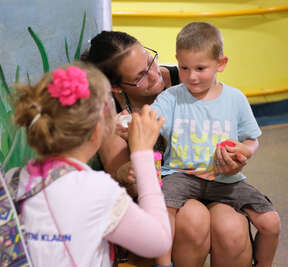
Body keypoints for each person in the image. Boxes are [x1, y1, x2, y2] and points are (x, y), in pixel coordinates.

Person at [82, 30, 255, 267]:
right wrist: (130, 166)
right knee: (195, 218)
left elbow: (228, 130)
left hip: (210, 179)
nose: (155, 74)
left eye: (150, 60)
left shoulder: (182, 76)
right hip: (157, 195)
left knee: (232, 228)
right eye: (141, 75)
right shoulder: (111, 113)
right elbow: (130, 183)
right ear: (116, 88)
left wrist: (234, 158)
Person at [7, 61, 172, 267]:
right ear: (96, 132)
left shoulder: (12, 179)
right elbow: (159, 241)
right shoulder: (97, 190)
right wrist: (143, 154)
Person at [151, 22, 281, 267]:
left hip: (226, 180)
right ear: (177, 61)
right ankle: (163, 263)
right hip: (181, 175)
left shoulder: (235, 98)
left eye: (201, 68)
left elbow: (252, 140)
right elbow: (151, 117)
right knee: (163, 204)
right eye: (184, 67)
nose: (191, 76)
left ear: (221, 64)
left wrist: (245, 151)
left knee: (271, 223)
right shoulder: (171, 97)